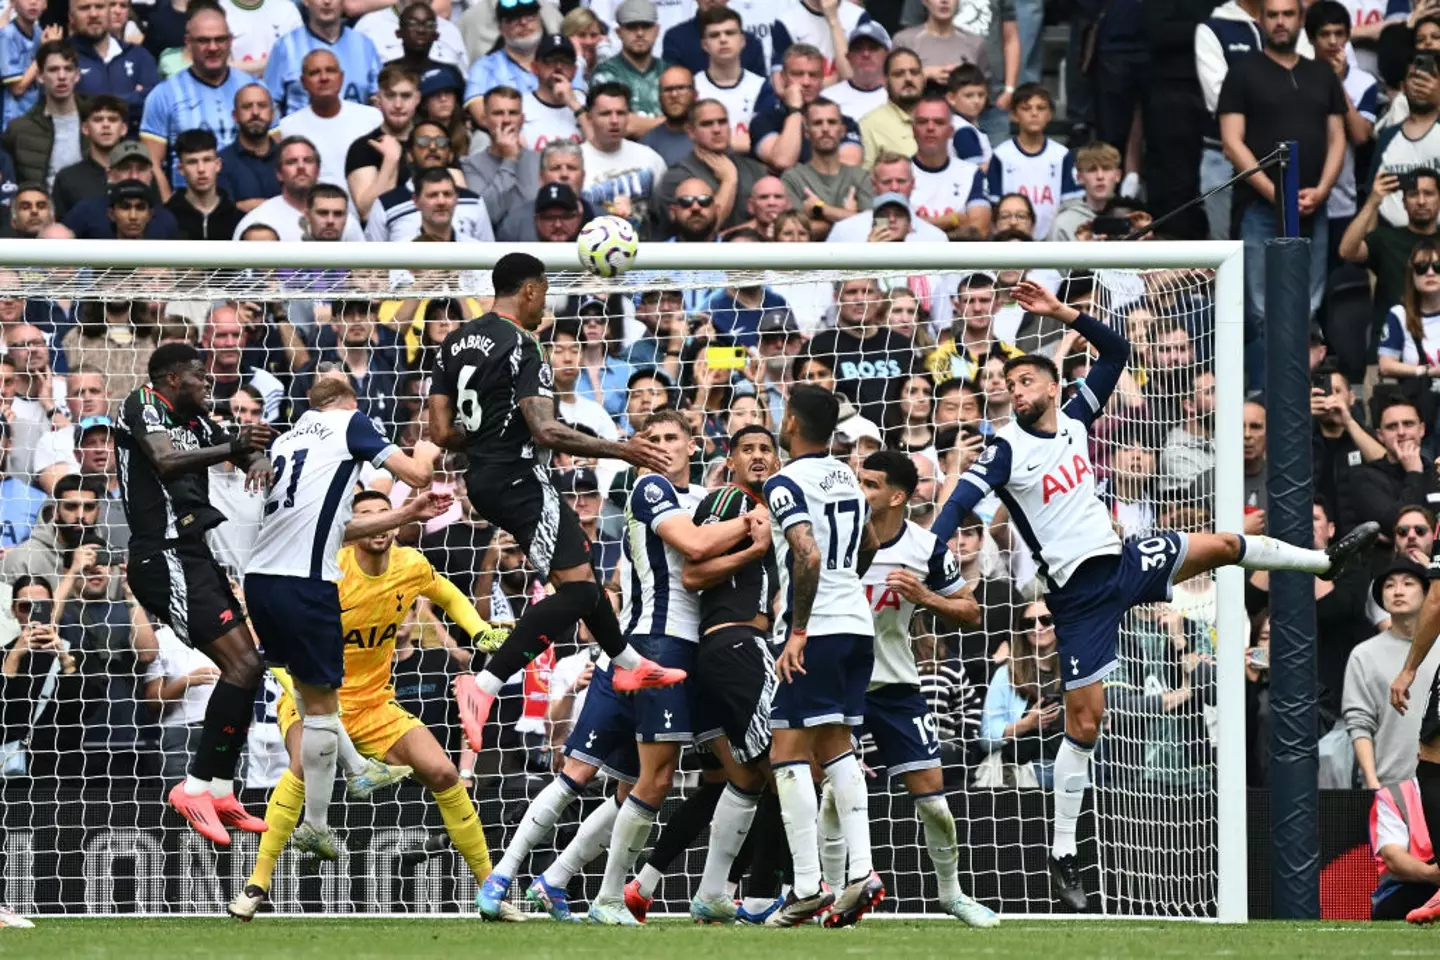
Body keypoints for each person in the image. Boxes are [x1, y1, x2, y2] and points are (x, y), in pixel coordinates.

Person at [928, 280, 1379, 910]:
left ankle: (1322, 557)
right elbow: (957, 504)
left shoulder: (1077, 420)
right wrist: (935, 548)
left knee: (1222, 544)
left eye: (1027, 382)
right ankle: (1063, 851)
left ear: (1053, 387)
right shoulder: (1005, 449)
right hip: (1078, 597)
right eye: (1011, 385)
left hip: (1123, 561)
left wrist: (1064, 313)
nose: (1017, 391)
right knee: (1086, 721)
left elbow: (1114, 356)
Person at [426, 252, 683, 760]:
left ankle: (628, 661)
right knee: (582, 590)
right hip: (521, 478)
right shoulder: (524, 345)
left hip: (483, 478)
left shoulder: (454, 342)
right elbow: (545, 428)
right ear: (528, 290)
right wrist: (623, 449)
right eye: (543, 292)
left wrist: (486, 443)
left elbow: (439, 431)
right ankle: (486, 682)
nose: (544, 304)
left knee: (580, 578)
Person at [229, 490, 520, 919]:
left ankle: (491, 893)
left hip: (375, 705)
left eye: (385, 514)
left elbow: (448, 596)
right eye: (365, 516)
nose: (378, 523)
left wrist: (478, 631)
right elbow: (265, 639)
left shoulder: (410, 565)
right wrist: (300, 689)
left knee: (442, 771)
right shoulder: (327, 572)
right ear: (352, 528)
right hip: (313, 697)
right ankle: (256, 885)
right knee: (301, 766)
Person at [242, 377, 442, 855]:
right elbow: (414, 474)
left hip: (260, 581)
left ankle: (343, 785)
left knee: (318, 703)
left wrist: (400, 516)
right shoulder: (349, 422)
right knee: (322, 705)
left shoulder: (290, 439)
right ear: (350, 403)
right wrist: (431, 448)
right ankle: (326, 807)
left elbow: (341, 526)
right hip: (306, 584)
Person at [581, 411, 758, 925]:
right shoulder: (650, 487)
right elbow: (698, 549)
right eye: (651, 439)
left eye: (671, 438)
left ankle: (714, 891)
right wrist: (754, 522)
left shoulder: (704, 498)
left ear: (693, 444)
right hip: (660, 644)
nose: (661, 447)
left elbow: (707, 565)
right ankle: (610, 895)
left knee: (741, 771)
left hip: (699, 650)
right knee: (652, 780)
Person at [113, 342, 277, 843]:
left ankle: (218, 789)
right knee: (240, 666)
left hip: (193, 554)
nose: (208, 383)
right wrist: (234, 448)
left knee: (249, 667)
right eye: (198, 375)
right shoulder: (142, 405)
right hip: (160, 557)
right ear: (170, 378)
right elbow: (165, 461)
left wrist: (259, 457)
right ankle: (193, 787)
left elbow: (240, 445)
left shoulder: (198, 423)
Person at [833, 450, 997, 925]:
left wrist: (924, 596)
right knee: (831, 797)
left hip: (896, 685)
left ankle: (951, 894)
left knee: (935, 802)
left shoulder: (926, 550)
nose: (861, 491)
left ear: (898, 497)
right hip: (839, 685)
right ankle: (829, 893)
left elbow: (970, 612)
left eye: (870, 484)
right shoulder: (836, 539)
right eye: (859, 480)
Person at [760, 383, 882, 928]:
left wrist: (800, 630)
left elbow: (805, 554)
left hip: (820, 632)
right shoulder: (848, 478)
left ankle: (807, 885)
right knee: (837, 744)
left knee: (786, 752)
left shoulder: (784, 481)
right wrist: (840, 588)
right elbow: (871, 547)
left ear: (791, 422)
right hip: (858, 625)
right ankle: (863, 872)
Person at [1217, 0, 1345, 390]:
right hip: (1260, 206)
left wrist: (1323, 190)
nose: (1280, 22)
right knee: (1259, 307)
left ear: (1300, 19)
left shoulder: (1321, 73)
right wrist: (1275, 193)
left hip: (1313, 204)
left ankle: (1298, 392)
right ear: (1261, 19)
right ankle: (1264, 393)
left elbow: (1338, 139)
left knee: (1308, 303)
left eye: (1288, 14)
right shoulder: (1241, 73)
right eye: (1272, 15)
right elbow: (1231, 142)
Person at [139, 6, 258, 193]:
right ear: (188, 42)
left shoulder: (254, 90)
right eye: (203, 41)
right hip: (189, 207)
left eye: (220, 39)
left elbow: (272, 152)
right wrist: (171, 209)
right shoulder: (164, 94)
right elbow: (152, 163)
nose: (212, 47)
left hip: (248, 201)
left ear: (230, 41)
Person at [1346, 558, 1438, 790]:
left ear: (1428, 593)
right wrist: (1372, 780)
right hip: (1388, 786)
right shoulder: (1363, 655)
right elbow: (1359, 723)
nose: (1398, 591)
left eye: (1408, 584)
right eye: (1389, 585)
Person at [275, 49, 383, 195]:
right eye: (315, 73)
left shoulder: (372, 118)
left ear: (341, 77)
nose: (324, 78)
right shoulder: (287, 127)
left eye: (330, 71)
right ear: (303, 82)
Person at [985, 83, 1081, 240]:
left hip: (1053, 244)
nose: (1034, 113)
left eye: (1041, 108)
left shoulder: (1061, 155)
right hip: (1011, 241)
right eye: (1026, 108)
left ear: (1050, 114)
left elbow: (1070, 204)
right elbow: (994, 206)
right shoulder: (1002, 155)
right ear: (1014, 115)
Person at [264, 0, 382, 116]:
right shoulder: (286, 46)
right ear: (305, 1)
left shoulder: (364, 45)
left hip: (359, 131)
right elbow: (270, 104)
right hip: (302, 133)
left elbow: (378, 100)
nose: (327, 2)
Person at [580, 81, 668, 233]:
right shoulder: (576, 161)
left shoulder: (650, 158)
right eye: (605, 114)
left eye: (620, 113)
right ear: (589, 118)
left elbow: (664, 211)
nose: (614, 121)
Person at [781, 96, 871, 240]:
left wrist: (820, 208)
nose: (825, 129)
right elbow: (794, 231)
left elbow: (873, 225)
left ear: (842, 131)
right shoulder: (792, 177)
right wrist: (848, 218)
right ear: (806, 133)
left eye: (832, 122)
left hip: (854, 260)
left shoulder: (861, 176)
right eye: (817, 123)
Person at [2, 39, 82, 189]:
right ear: (39, 76)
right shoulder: (19, 129)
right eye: (53, 70)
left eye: (68, 69)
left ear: (77, 75)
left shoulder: (95, 121)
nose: (62, 76)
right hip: (40, 209)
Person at [908, 91, 989, 238]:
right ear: (913, 130)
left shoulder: (971, 174)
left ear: (951, 131)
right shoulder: (895, 172)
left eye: (938, 122)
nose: (930, 128)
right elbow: (885, 226)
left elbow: (979, 231)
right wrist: (953, 219)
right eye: (922, 122)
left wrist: (915, 227)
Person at [693, 6, 766, 155]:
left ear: (742, 41)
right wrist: (737, 143)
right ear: (704, 45)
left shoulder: (762, 87)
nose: (723, 39)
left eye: (730, 33)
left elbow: (765, 140)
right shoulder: (692, 87)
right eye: (714, 35)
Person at [591, 0, 666, 133]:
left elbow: (689, 121)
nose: (640, 33)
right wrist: (670, 125)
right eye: (632, 27)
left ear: (657, 30)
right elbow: (620, 126)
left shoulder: (669, 72)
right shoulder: (605, 72)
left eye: (646, 26)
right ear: (619, 32)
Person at [50, 94, 129, 217]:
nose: (106, 125)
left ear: (123, 129)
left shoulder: (140, 174)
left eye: (113, 119)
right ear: (85, 128)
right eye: (98, 119)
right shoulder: (67, 178)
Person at [164, 128, 243, 241]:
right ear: (181, 169)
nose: (201, 169)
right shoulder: (167, 218)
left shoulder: (237, 219)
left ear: (218, 165)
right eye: (192, 162)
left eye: (207, 160)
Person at [217, 84, 280, 212]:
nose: (255, 113)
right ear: (235, 116)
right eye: (247, 107)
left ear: (273, 114)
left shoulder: (289, 159)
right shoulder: (220, 163)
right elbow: (220, 214)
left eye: (262, 106)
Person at [641, 64, 697, 165]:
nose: (674, 95)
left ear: (695, 94)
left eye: (681, 88)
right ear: (659, 98)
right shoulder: (648, 145)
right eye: (668, 90)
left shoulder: (712, 133)